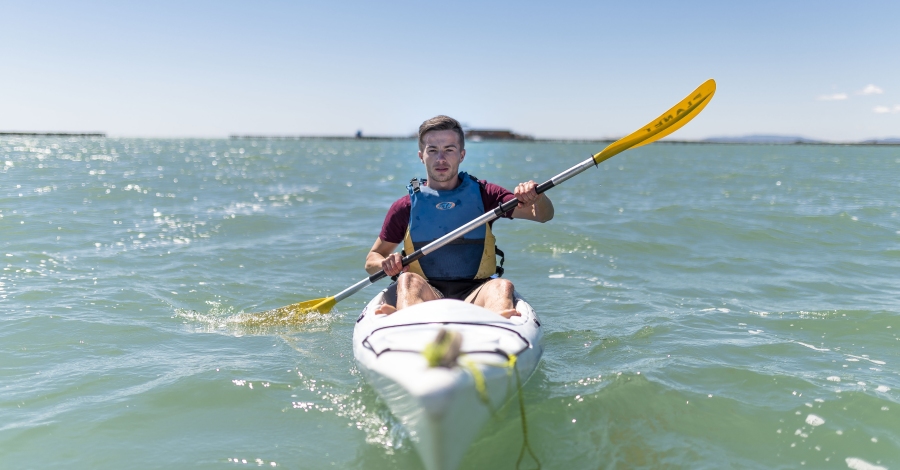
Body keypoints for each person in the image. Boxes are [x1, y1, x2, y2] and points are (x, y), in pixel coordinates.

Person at [365, 115, 554, 318]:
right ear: (421, 156)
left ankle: (498, 338)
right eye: (433, 151)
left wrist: (537, 197)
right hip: (424, 293)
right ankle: (408, 326)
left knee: (501, 286)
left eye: (449, 150)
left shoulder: (485, 194)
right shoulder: (406, 206)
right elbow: (372, 260)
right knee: (407, 281)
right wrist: (385, 264)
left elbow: (542, 215)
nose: (441, 159)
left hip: (477, 292)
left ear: (462, 154)